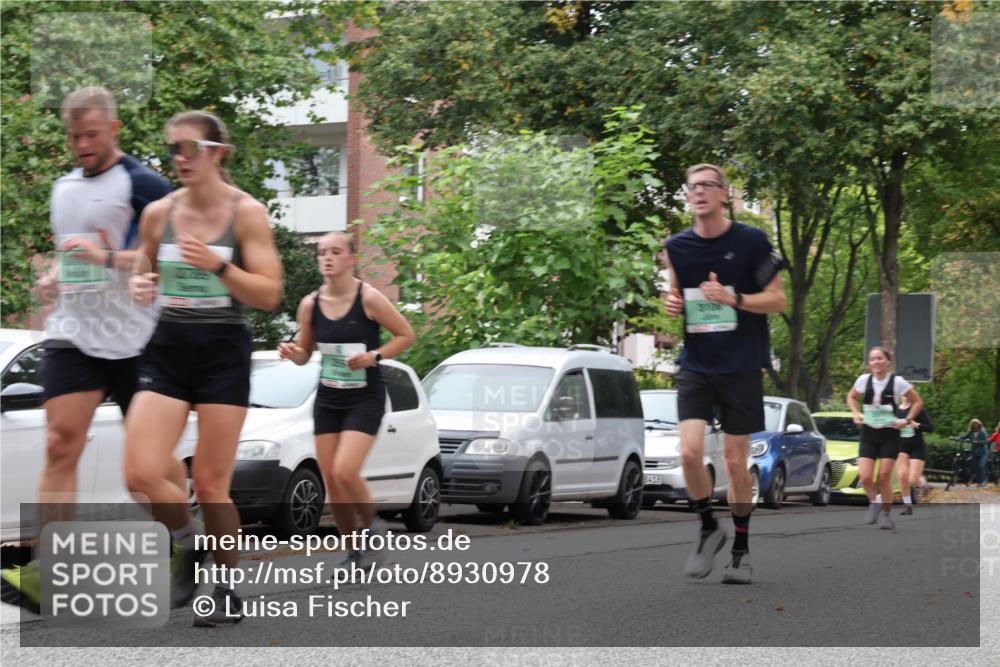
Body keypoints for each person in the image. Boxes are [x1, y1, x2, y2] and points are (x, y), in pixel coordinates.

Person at [0, 86, 172, 613]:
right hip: (74, 332)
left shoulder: (145, 185)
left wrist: (107, 257)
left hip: (139, 340)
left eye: (91, 134)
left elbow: (166, 259)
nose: (82, 145)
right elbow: (71, 254)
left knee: (148, 466)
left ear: (114, 130)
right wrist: (53, 278)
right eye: (74, 136)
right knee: (60, 443)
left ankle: (182, 538)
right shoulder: (63, 189)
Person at [124, 110, 283, 626]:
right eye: (172, 149)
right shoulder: (159, 212)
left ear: (217, 153)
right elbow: (143, 266)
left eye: (189, 147)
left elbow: (270, 294)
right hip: (169, 345)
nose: (179, 158)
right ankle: (187, 540)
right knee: (139, 473)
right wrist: (140, 284)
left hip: (222, 351)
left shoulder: (247, 213)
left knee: (212, 486)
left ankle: (227, 587)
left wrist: (218, 264)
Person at [664, 163, 786, 584]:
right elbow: (675, 292)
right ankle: (707, 527)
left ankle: (740, 551)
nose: (698, 192)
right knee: (688, 453)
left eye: (706, 186)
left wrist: (733, 298)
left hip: (741, 364)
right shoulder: (676, 247)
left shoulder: (753, 241)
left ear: (723, 193)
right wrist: (672, 303)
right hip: (696, 363)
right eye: (692, 187)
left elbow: (778, 300)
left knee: (735, 462)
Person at [278, 231, 415, 568]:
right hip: (328, 398)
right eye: (322, 252)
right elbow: (305, 353)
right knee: (332, 482)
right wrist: (293, 353)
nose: (327, 257)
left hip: (364, 398)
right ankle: (354, 551)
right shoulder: (310, 304)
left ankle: (372, 528)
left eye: (335, 252)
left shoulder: (369, 298)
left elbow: (406, 335)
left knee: (345, 470)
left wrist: (374, 356)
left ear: (351, 259)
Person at [846, 347, 924, 530]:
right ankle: (875, 502)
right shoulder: (863, 380)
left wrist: (907, 420)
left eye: (880, 358)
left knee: (883, 477)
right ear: (869, 363)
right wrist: (856, 413)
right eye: (873, 359)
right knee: (865, 477)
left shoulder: (898, 382)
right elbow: (851, 397)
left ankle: (887, 516)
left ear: (888, 361)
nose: (876, 362)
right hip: (869, 432)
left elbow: (918, 402)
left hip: (889, 434)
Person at [894, 394, 933, 515]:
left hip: (917, 446)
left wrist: (918, 425)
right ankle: (907, 505)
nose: (905, 394)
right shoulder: (895, 410)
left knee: (913, 479)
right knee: (902, 476)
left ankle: (923, 484)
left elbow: (931, 428)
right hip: (900, 446)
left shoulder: (918, 409)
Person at [956, 419, 989, 488]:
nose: (974, 425)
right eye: (973, 424)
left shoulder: (983, 432)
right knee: (976, 467)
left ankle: (984, 481)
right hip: (974, 452)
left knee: (981, 466)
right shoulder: (970, 433)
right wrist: (955, 438)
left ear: (979, 424)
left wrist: (978, 442)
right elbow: (963, 437)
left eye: (975, 423)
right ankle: (980, 482)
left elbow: (986, 441)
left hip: (983, 452)